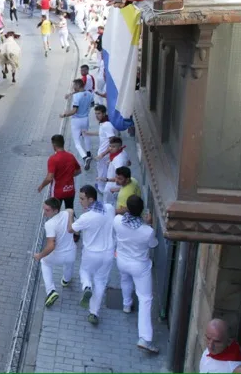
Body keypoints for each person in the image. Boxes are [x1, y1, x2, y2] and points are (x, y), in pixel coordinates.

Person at [114, 195, 159, 353]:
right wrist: (150, 225)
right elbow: (153, 244)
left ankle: (126, 304)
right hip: (140, 265)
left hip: (121, 260)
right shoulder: (147, 231)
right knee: (145, 298)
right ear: (142, 211)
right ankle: (145, 338)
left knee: (125, 280)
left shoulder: (117, 221)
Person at [69, 184, 115, 326]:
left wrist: (70, 214)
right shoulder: (109, 208)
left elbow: (71, 230)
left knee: (84, 271)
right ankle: (93, 313)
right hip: (108, 253)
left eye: (82, 199)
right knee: (100, 282)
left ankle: (87, 287)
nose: (80, 202)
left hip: (91, 253)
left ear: (91, 199)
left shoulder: (86, 217)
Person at [34, 198, 76, 308]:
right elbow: (70, 210)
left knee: (45, 262)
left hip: (58, 255)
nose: (44, 212)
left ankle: (51, 291)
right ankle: (66, 280)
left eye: (47, 210)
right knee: (69, 265)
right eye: (44, 209)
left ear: (55, 211)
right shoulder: (67, 214)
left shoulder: (50, 224)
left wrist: (40, 255)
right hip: (71, 253)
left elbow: (51, 246)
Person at [37, 134, 81, 210]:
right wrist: (69, 175)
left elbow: (50, 178)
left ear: (54, 145)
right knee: (70, 212)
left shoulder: (53, 159)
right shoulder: (71, 156)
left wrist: (42, 186)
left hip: (57, 192)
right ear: (63, 143)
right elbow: (79, 171)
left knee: (55, 213)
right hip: (70, 190)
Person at [86, 105, 119, 196]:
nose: (97, 116)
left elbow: (113, 141)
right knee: (103, 170)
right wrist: (89, 133)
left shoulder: (107, 125)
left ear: (104, 113)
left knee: (102, 171)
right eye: (96, 113)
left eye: (99, 113)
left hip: (104, 154)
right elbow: (102, 134)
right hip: (103, 153)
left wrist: (103, 154)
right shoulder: (103, 123)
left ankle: (102, 189)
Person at [61, 79, 94, 169]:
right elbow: (92, 105)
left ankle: (84, 157)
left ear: (78, 85)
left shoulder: (76, 97)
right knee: (86, 136)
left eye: (74, 85)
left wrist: (64, 114)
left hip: (76, 120)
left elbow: (74, 111)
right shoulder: (90, 94)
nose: (73, 87)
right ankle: (88, 153)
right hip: (85, 119)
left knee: (77, 142)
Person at [99, 136, 130, 206]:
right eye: (110, 146)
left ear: (119, 147)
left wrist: (106, 179)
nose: (110, 148)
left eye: (113, 147)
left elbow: (121, 177)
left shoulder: (118, 160)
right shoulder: (123, 152)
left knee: (108, 205)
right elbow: (129, 162)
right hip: (113, 185)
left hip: (113, 186)